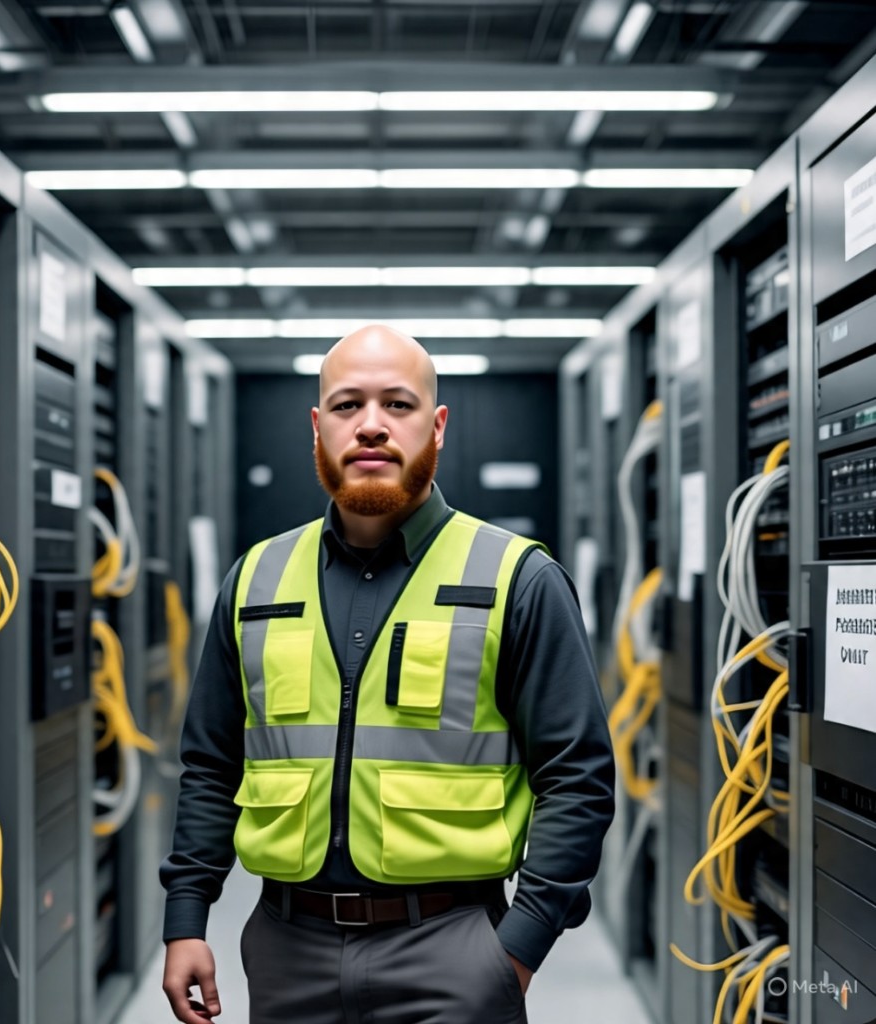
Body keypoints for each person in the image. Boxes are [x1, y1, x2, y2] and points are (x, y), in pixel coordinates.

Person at [161, 324, 615, 1024]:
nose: (370, 426)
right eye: (346, 406)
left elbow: (577, 776)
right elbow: (210, 763)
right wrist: (186, 917)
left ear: (436, 426)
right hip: (286, 948)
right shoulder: (255, 579)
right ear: (317, 427)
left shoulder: (516, 578)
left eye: (397, 405)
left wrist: (518, 946)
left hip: (453, 943)